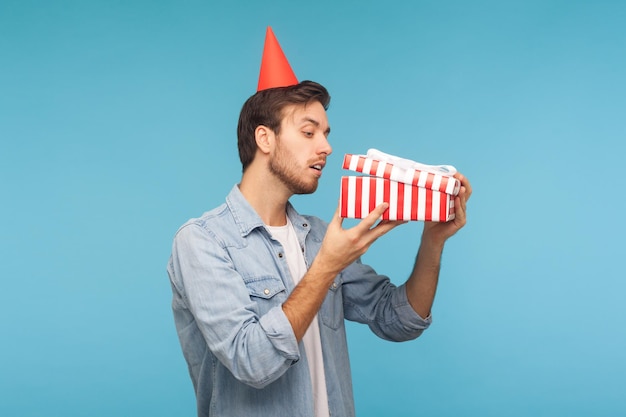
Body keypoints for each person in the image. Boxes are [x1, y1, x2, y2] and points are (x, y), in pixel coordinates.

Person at [167, 27, 471, 417]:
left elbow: (398, 320)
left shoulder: (318, 237)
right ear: (265, 139)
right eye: (309, 132)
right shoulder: (202, 242)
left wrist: (433, 241)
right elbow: (251, 362)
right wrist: (327, 266)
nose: (326, 146)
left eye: (325, 134)